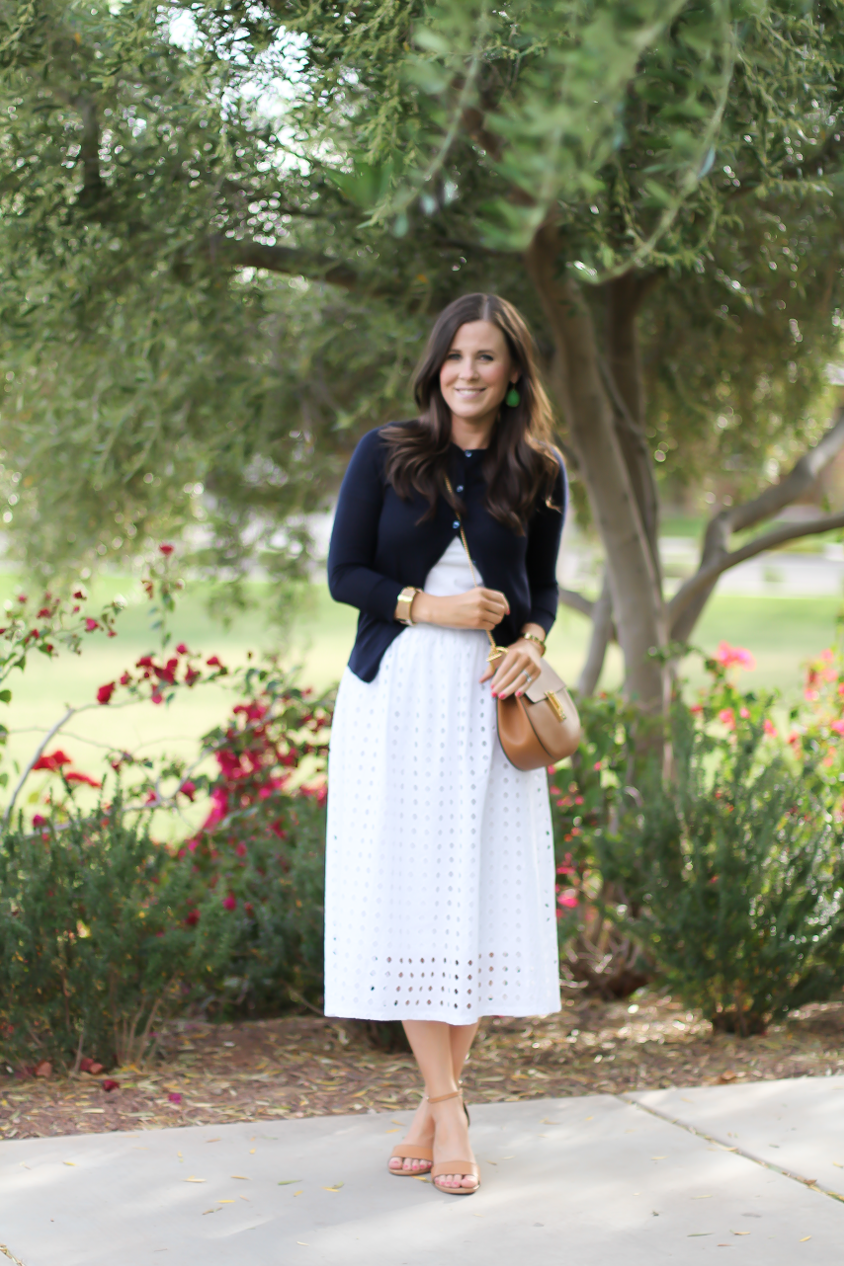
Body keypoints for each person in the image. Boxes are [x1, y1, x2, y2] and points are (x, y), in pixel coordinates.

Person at [325, 292, 566, 1195]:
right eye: (457, 356)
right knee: (416, 890)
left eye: (488, 359)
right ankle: (453, 1109)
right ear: (437, 367)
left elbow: (540, 595)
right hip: (400, 698)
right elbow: (345, 572)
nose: (469, 371)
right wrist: (431, 608)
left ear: (512, 377)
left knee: (469, 898)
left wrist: (528, 648)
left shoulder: (539, 467)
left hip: (490, 708)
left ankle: (435, 1100)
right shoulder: (388, 454)